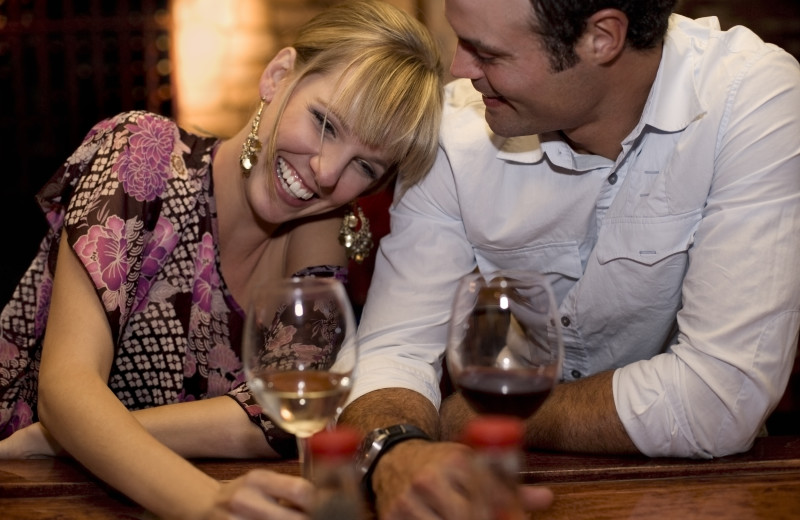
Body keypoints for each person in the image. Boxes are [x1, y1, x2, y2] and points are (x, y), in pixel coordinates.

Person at [334, 0, 800, 518]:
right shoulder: (454, 133)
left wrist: (482, 416)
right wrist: (396, 453)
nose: (458, 70)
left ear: (602, 37)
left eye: (486, 52)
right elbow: (394, 349)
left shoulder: (751, 98)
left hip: (695, 491)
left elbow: (719, 398)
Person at [0, 1, 443, 518]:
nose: (326, 173)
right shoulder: (143, 154)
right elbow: (67, 388)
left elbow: (282, 416)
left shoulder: (320, 233)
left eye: (364, 165)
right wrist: (208, 503)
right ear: (279, 77)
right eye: (324, 123)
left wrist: (67, 437)